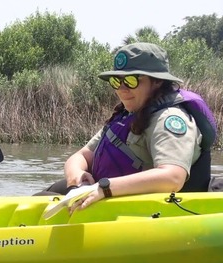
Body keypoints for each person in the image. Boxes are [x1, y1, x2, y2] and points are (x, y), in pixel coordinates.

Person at [43, 42, 216, 211]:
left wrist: (104, 188)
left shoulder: (169, 119)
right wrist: (78, 177)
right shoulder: (127, 116)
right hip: (104, 195)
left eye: (131, 81)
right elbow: (81, 156)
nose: (122, 89)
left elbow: (173, 177)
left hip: (141, 211)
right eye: (116, 81)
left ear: (157, 81)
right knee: (42, 196)